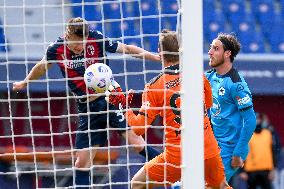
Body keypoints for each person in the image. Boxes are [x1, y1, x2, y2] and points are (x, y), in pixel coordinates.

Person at [12, 17, 161, 189]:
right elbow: (42, 67)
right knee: (81, 163)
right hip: (86, 108)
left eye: (82, 43)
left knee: (135, 142)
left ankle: (172, 170)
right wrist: (25, 82)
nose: (80, 47)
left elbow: (127, 48)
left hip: (109, 97)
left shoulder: (96, 38)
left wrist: (155, 58)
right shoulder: (56, 49)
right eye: (76, 44)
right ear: (67, 36)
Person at [120, 29, 225, 189]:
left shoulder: (154, 86)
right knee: (220, 186)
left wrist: (125, 108)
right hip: (206, 147)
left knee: (137, 184)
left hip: (177, 155)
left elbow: (138, 129)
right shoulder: (198, 74)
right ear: (181, 51)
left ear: (159, 52)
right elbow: (209, 105)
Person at [206, 33, 257, 184]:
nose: (210, 52)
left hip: (229, 150)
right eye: (210, 48)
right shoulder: (209, 77)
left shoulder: (236, 84)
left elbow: (250, 120)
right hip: (211, 144)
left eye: (215, 49)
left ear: (227, 54)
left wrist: (238, 153)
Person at [238, 112, 280, 189]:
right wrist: (241, 171)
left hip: (266, 170)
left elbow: (274, 152)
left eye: (257, 119)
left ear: (261, 120)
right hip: (250, 171)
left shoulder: (268, 133)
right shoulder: (246, 134)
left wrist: (274, 169)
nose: (256, 121)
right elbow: (240, 153)